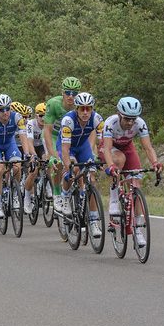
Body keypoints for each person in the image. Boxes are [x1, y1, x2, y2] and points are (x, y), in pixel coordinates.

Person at [100, 97, 163, 246]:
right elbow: (107, 149)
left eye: (133, 119)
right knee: (119, 160)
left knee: (136, 182)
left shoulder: (140, 124)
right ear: (119, 114)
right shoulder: (110, 123)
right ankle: (114, 198)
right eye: (127, 119)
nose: (130, 123)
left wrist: (155, 162)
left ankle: (138, 228)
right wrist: (111, 166)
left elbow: (148, 147)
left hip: (128, 147)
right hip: (110, 149)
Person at [58, 92, 104, 237]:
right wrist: (68, 168)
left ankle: (94, 220)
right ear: (76, 109)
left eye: (88, 108)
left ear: (92, 109)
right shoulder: (68, 120)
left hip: (83, 147)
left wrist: (102, 159)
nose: (85, 112)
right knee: (74, 169)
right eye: (82, 108)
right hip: (67, 147)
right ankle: (65, 197)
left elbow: (103, 143)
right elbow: (65, 149)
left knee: (92, 178)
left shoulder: (97, 119)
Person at [44, 76, 82, 212]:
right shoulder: (54, 104)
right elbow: (47, 131)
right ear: (62, 92)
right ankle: (56, 193)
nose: (71, 96)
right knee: (57, 163)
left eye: (74, 93)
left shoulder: (82, 107)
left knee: (79, 166)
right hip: (55, 137)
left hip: (71, 139)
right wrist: (51, 153)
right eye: (68, 92)